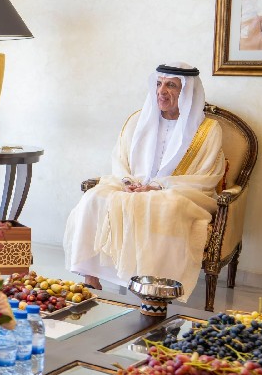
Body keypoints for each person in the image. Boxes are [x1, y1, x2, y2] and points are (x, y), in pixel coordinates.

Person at [63, 63, 225, 300]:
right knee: (94, 197)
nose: (162, 91)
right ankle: (91, 277)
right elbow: (120, 159)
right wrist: (128, 182)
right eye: (159, 84)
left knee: (163, 206)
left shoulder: (208, 130)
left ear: (187, 91)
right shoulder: (137, 120)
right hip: (131, 184)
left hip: (181, 192)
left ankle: (152, 286)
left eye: (171, 85)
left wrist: (158, 186)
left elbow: (208, 176)